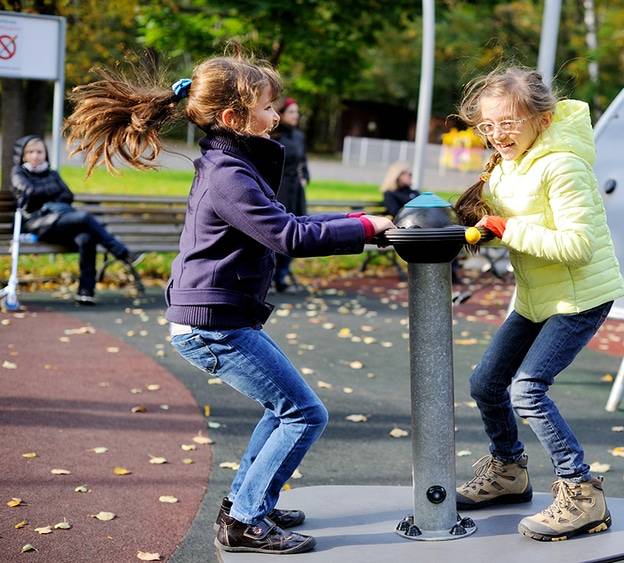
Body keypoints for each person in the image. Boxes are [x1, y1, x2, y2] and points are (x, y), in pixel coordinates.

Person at [64, 54, 394, 555]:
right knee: (305, 413)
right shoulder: (228, 175)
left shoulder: (235, 165)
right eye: (267, 107)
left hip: (220, 316)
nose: (276, 116)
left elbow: (284, 218)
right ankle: (245, 520)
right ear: (233, 118)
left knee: (282, 408)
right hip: (212, 324)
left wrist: (357, 218)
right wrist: (366, 228)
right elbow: (287, 235)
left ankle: (247, 499)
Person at [452, 66, 624, 542]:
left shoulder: (563, 164)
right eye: (488, 126)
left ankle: (581, 492)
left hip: (578, 298)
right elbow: (514, 227)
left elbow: (577, 246)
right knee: (486, 383)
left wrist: (505, 229)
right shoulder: (509, 164)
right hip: (535, 297)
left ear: (542, 119)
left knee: (527, 389)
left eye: (508, 122)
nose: (497, 134)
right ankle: (509, 471)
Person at [9, 135, 139, 305]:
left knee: (86, 237)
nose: (35, 156)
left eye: (39, 151)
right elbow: (30, 191)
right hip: (34, 224)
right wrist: (53, 191)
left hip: (58, 223)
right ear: (23, 155)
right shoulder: (18, 172)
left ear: (45, 154)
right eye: (31, 152)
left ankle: (86, 291)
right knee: (84, 217)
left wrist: (47, 193)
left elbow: (68, 195)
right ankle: (122, 252)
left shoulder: (52, 173)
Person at [271, 97, 311, 293]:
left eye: (297, 112)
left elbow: (303, 161)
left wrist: (305, 178)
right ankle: (270, 275)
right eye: (292, 112)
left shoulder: (299, 136)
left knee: (296, 230)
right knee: (277, 231)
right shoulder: (273, 135)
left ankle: (282, 275)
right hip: (279, 188)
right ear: (282, 114)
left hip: (296, 190)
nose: (296, 116)